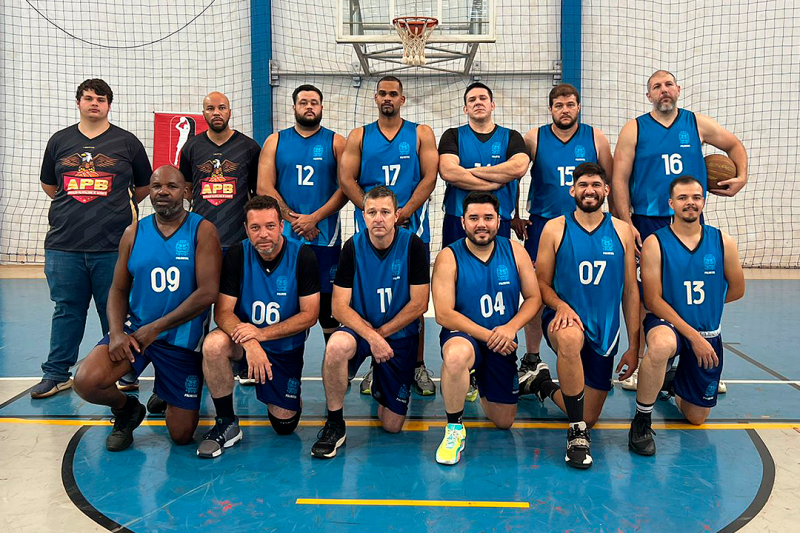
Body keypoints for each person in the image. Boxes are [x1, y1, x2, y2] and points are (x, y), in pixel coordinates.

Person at [612, 70, 747, 392]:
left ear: (678, 90)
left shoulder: (696, 123)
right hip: (647, 221)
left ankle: (695, 358)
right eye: (656, 87)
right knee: (645, 294)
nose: (664, 90)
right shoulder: (635, 128)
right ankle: (643, 361)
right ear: (649, 96)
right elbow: (619, 178)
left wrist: (742, 176)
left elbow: (733, 144)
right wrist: (626, 221)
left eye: (668, 85)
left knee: (695, 287)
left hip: (688, 221)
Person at [72, 166, 221, 451]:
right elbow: (118, 289)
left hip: (182, 340)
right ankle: (127, 409)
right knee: (86, 381)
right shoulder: (133, 232)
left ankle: (165, 388)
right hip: (137, 334)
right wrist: (117, 332)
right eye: (156, 186)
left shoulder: (202, 230)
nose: (163, 192)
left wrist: (156, 328)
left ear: (185, 192)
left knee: (181, 435)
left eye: (171, 186)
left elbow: (207, 293)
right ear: (149, 191)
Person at [34, 79, 151, 399]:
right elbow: (50, 184)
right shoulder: (59, 140)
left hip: (113, 246)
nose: (94, 103)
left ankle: (124, 371)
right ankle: (57, 373)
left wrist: (113, 207)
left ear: (109, 105)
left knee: (115, 312)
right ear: (79, 103)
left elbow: (143, 186)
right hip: (64, 245)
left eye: (101, 99)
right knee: (66, 310)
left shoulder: (127, 142)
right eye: (88, 98)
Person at [525, 162, 639, 468]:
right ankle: (577, 434)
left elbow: (630, 291)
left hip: (606, 330)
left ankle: (540, 383)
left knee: (590, 415)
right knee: (569, 339)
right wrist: (560, 305)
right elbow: (541, 284)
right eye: (583, 185)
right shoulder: (555, 228)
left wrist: (634, 346)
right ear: (572, 190)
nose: (590, 190)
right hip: (563, 319)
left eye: (596, 185)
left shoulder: (622, 231)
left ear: (606, 190)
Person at [628, 176, 744, 456]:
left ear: (703, 201)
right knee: (661, 346)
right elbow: (653, 300)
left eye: (695, 197)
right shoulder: (656, 242)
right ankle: (642, 420)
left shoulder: (722, 241)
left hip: (706, 330)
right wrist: (691, 333)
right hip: (667, 323)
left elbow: (737, 289)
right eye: (682, 198)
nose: (690, 203)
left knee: (696, 417)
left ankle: (672, 381)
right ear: (671, 203)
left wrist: (704, 310)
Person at [338, 76, 439, 397]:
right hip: (373, 230)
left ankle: (417, 364)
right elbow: (346, 178)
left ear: (402, 99)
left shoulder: (421, 133)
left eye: (393, 94)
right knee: (370, 297)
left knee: (413, 300)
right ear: (375, 98)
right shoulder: (359, 136)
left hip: (412, 226)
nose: (387, 98)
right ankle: (375, 362)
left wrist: (403, 212)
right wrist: (375, 213)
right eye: (382, 93)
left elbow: (430, 177)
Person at [197, 195, 320, 458]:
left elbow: (310, 315)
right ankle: (226, 422)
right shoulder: (237, 255)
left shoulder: (303, 255)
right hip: (244, 342)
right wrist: (251, 343)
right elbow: (223, 312)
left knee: (284, 425)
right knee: (213, 345)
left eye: (270, 226)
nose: (263, 234)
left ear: (282, 226)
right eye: (255, 227)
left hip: (283, 348)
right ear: (246, 229)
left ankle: (285, 391)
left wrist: (261, 334)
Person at [311, 187, 429, 459]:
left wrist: (381, 335)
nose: (378, 218)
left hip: (398, 335)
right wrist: (373, 337)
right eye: (372, 212)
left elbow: (420, 304)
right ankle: (334, 423)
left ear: (397, 216)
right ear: (363, 216)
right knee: (336, 345)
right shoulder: (352, 247)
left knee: (392, 426)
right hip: (362, 331)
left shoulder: (413, 245)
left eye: (385, 212)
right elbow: (339, 307)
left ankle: (380, 378)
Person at [432, 191, 541, 466]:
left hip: (502, 340)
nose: (481, 224)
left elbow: (534, 298)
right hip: (465, 335)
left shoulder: (515, 250)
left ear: (499, 220)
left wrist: (511, 327)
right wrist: (493, 335)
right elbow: (444, 314)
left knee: (504, 421)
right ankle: (454, 427)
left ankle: (478, 379)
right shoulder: (448, 256)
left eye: (488, 218)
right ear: (463, 222)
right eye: (474, 218)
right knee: (456, 356)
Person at [515, 83, 614, 382]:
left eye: (570, 104)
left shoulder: (595, 137)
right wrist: (514, 215)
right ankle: (532, 357)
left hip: (587, 227)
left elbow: (610, 182)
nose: (565, 110)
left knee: (590, 285)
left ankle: (591, 349)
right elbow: (514, 176)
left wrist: (620, 223)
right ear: (550, 109)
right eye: (559, 105)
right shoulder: (534, 138)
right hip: (543, 224)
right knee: (534, 291)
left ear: (578, 107)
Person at [257, 84, 347, 353]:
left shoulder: (336, 142)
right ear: (294, 107)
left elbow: (346, 187)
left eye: (314, 102)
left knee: (328, 307)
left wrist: (314, 218)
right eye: (304, 102)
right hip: (285, 236)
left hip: (325, 235)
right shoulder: (275, 141)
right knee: (287, 302)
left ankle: (336, 364)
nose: (309, 107)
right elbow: (263, 186)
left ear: (322, 107)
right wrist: (295, 219)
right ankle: (280, 360)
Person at [438, 82, 530, 248]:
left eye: (483, 98)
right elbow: (448, 172)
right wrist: (493, 184)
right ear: (465, 109)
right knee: (455, 263)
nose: (478, 102)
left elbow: (518, 168)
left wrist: (468, 172)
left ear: (492, 105)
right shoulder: (452, 135)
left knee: (496, 264)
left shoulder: (511, 136)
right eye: (472, 100)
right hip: (458, 217)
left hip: (498, 217)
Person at [180, 91, 261, 250]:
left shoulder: (249, 147)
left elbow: (257, 191)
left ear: (229, 112)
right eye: (210, 108)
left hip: (239, 237)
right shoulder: (191, 147)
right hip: (201, 236)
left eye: (222, 108)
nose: (216, 113)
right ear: (203, 113)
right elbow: (186, 189)